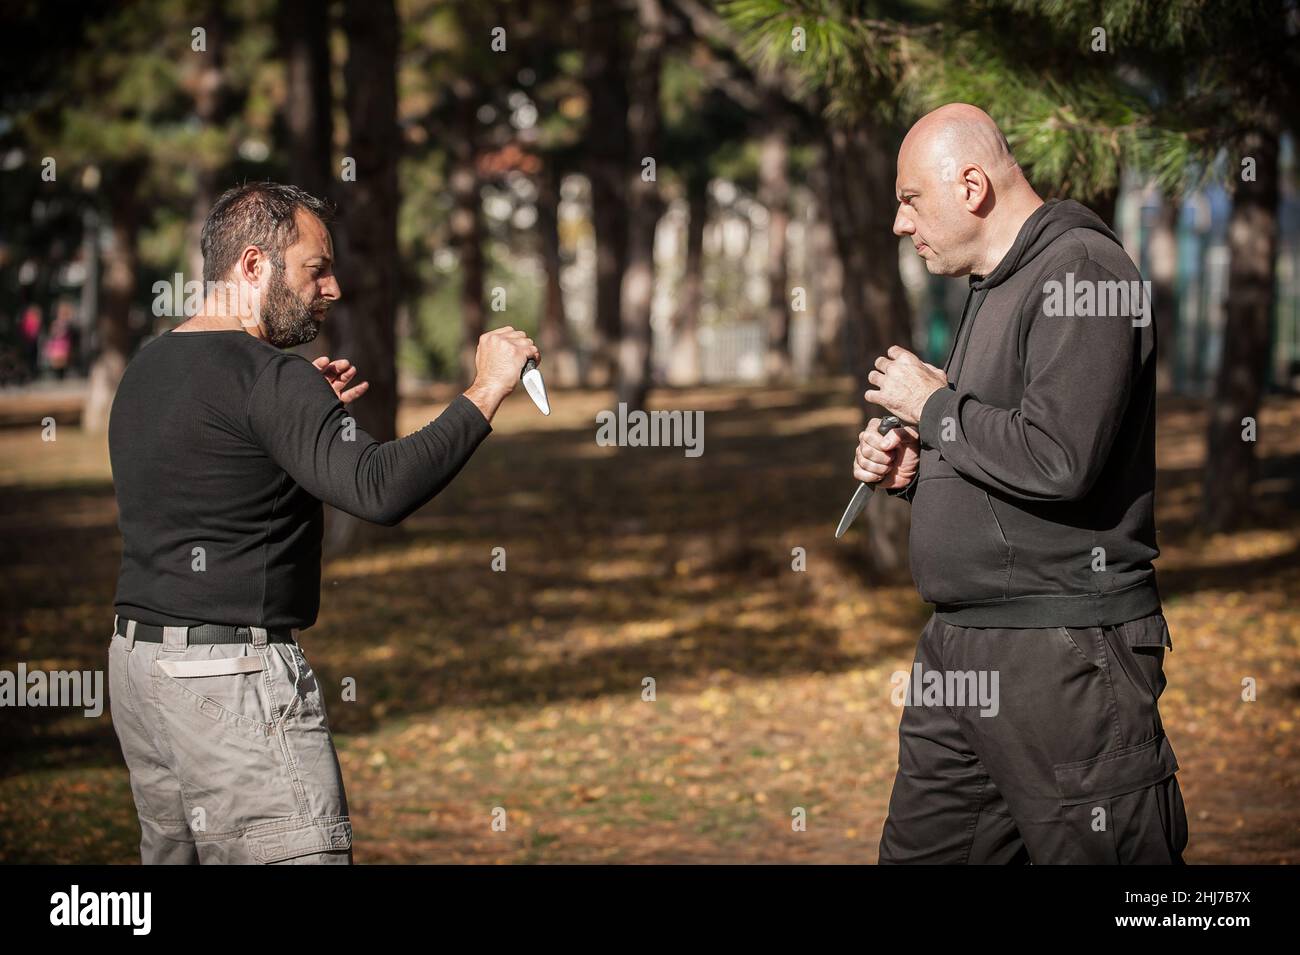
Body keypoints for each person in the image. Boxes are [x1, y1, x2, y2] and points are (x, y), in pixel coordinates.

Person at [106, 182, 539, 863]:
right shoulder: (270, 378)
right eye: (317, 268)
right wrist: (485, 389)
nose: (332, 288)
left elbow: (212, 481)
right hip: (232, 682)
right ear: (253, 266)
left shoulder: (149, 367)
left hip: (139, 672)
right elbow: (378, 489)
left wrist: (298, 424)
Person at [856, 104, 1188, 864]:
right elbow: (999, 449)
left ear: (970, 185)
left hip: (1061, 654)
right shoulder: (994, 283)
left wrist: (934, 406)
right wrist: (919, 470)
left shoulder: (1083, 272)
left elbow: (1060, 459)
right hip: (959, 649)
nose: (900, 224)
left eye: (910, 199)